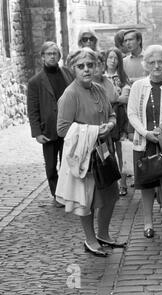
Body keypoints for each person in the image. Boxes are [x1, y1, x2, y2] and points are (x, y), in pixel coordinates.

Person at [56, 47, 125, 257]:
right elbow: (62, 129)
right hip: (84, 156)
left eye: (90, 65)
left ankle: (103, 234)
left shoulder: (99, 89)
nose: (86, 70)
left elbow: (112, 114)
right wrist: (93, 131)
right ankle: (90, 239)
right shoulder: (70, 94)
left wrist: (111, 126)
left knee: (111, 194)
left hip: (104, 152)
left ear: (96, 67)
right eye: (81, 66)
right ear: (73, 69)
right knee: (86, 199)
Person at [127, 45, 162, 239]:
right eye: (152, 62)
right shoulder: (138, 86)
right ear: (146, 64)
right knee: (147, 184)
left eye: (160, 61)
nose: (157, 66)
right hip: (143, 142)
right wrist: (145, 132)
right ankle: (148, 223)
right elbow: (132, 113)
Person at [27, 42, 74, 208]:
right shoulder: (35, 82)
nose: (52, 56)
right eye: (48, 53)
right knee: (51, 165)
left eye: (55, 53)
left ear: (59, 56)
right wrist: (37, 133)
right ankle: (56, 194)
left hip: (69, 127)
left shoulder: (68, 74)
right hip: (48, 130)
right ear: (42, 57)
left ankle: (66, 193)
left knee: (68, 162)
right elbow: (32, 110)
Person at [104, 47, 131, 196]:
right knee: (108, 152)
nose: (112, 61)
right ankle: (111, 182)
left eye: (115, 58)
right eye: (110, 57)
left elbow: (126, 98)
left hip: (120, 118)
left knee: (122, 152)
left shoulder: (122, 78)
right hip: (106, 117)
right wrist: (116, 98)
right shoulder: (101, 77)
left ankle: (123, 183)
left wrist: (113, 99)